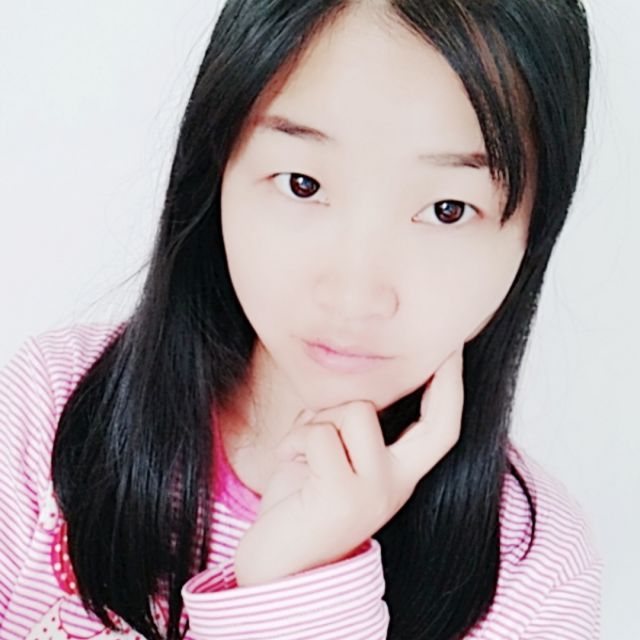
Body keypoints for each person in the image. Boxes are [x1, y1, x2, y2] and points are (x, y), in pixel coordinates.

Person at [0, 0, 603, 638]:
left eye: (447, 209)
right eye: (302, 184)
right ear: (218, 171)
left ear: (533, 233)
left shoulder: (535, 579)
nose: (355, 294)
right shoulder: (52, 412)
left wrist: (297, 581)